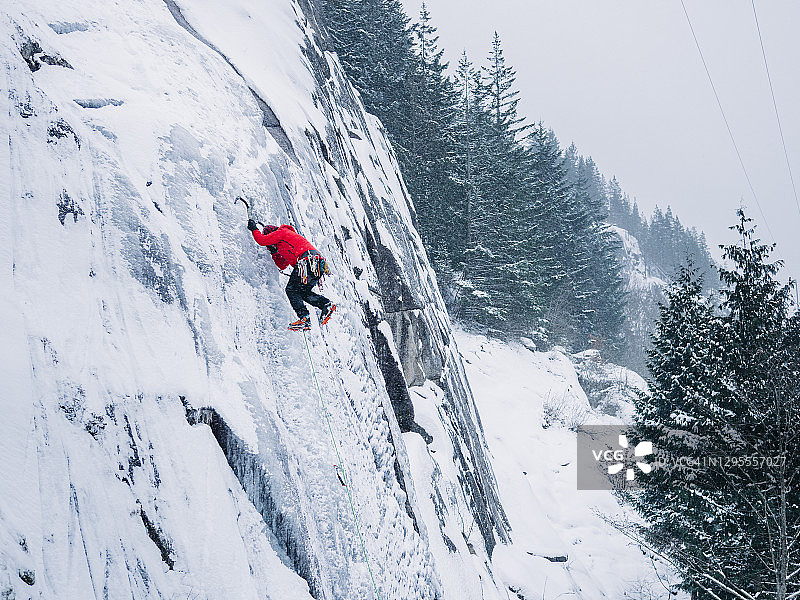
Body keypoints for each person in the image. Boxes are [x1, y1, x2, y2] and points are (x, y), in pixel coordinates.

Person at [247, 219, 336, 331]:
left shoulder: (282, 232)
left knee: (291, 290)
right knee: (303, 293)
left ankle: (304, 318)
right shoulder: (287, 242)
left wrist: (254, 229)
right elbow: (282, 265)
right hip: (316, 264)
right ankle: (325, 305)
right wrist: (274, 252)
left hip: (307, 261)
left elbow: (261, 240)